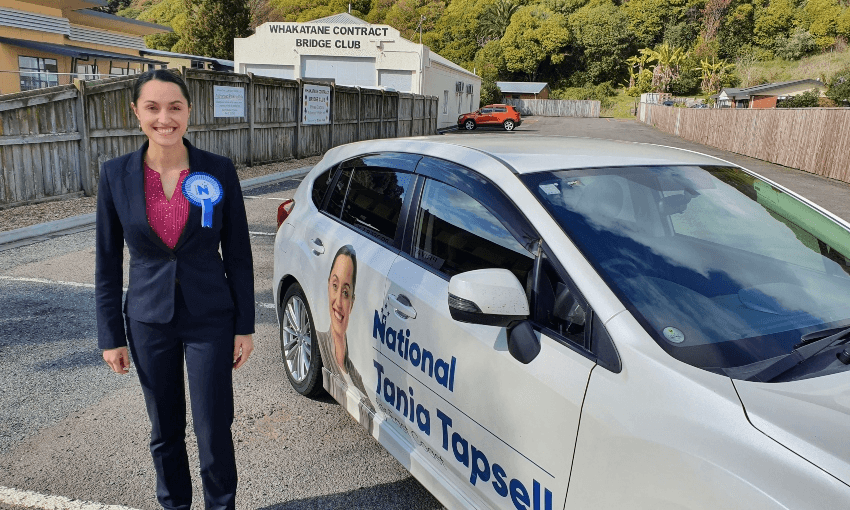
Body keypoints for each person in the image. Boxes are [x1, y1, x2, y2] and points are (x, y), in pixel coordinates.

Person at [95, 69, 254, 510]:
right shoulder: (115, 176)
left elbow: (239, 253)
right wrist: (111, 336)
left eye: (175, 107)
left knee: (213, 428)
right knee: (164, 430)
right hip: (148, 321)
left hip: (210, 319)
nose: (164, 118)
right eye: (153, 107)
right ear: (136, 113)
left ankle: (220, 506)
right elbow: (106, 263)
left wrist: (245, 325)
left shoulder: (218, 170)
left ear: (189, 112)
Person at [316, 245, 370, 402]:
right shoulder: (320, 345)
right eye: (334, 286)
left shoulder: (357, 377)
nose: (338, 302)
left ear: (352, 302)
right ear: (328, 286)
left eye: (345, 293)